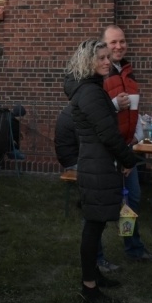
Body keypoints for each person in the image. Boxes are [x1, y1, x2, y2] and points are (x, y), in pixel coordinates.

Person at [64, 39, 139, 303]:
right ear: (88, 62)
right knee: (93, 227)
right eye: (101, 58)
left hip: (97, 163)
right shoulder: (91, 93)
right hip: (96, 165)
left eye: (108, 57)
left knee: (95, 225)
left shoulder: (91, 88)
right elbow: (109, 134)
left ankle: (94, 274)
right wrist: (129, 159)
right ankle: (89, 287)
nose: (107, 62)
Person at [101, 24, 152, 262]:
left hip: (125, 148)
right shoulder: (98, 72)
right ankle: (97, 257)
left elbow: (133, 111)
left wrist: (134, 139)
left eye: (122, 41)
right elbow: (93, 113)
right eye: (113, 42)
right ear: (103, 45)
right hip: (104, 151)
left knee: (131, 200)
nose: (119, 46)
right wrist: (114, 105)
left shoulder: (127, 72)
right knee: (102, 206)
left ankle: (132, 247)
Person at [55, 104, 117, 273]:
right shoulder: (79, 113)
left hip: (76, 159)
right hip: (75, 163)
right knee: (94, 211)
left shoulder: (74, 109)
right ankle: (97, 261)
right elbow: (91, 145)